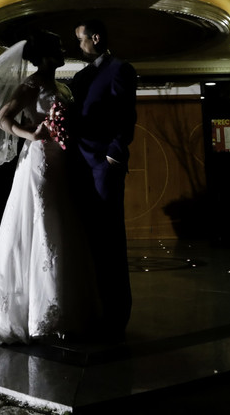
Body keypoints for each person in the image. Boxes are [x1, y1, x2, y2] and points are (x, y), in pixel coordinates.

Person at [0, 31, 101, 348]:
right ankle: (38, 315)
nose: (64, 49)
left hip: (62, 163)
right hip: (40, 163)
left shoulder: (60, 86)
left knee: (62, 226)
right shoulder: (32, 85)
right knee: (42, 223)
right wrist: (31, 134)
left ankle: (62, 310)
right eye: (58, 47)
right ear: (45, 56)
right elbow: (2, 119)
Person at [69, 18, 136, 337]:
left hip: (104, 164)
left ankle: (117, 311)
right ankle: (91, 306)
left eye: (80, 39)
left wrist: (114, 153)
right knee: (86, 236)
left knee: (109, 234)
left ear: (96, 37)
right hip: (78, 163)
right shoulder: (80, 76)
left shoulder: (120, 69)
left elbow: (127, 114)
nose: (78, 45)